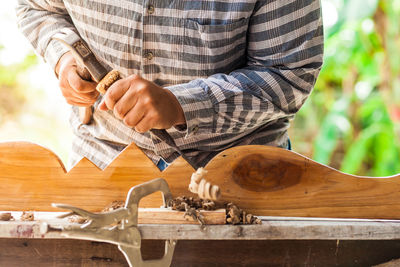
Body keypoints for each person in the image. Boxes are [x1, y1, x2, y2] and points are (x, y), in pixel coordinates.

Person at [16, 0, 324, 170]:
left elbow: (289, 74)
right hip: (103, 162)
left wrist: (182, 105)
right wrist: (64, 58)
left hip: (236, 176)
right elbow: (36, 7)